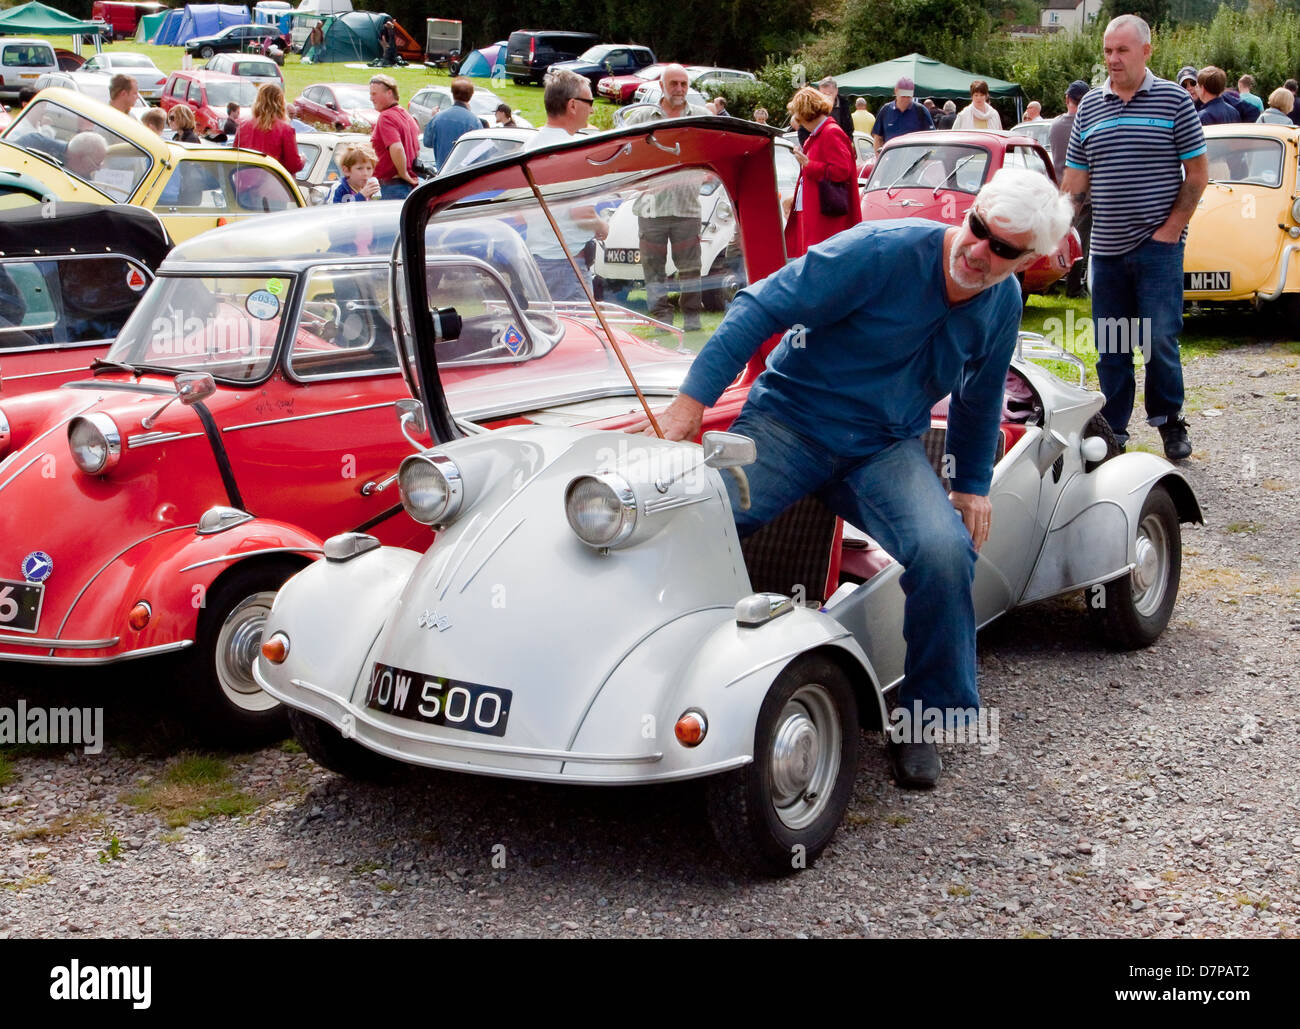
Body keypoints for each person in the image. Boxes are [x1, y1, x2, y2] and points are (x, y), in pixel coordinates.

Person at [644, 168, 1073, 788]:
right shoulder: (878, 251)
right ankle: (658, 680)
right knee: (689, 524)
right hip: (789, 424)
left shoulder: (1001, 303)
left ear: (1030, 259)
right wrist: (691, 403)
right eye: (979, 230)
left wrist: (972, 484)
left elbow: (980, 400)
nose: (980, 252)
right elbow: (759, 304)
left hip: (881, 448)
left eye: (1004, 249)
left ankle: (926, 718)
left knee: (946, 551)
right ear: (971, 212)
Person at [1061, 14, 1207, 461]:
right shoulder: (1090, 107)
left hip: (1158, 247)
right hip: (1105, 248)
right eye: (1107, 50)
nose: (1112, 59)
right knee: (1112, 345)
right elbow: (1075, 183)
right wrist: (1058, 229)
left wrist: (1171, 230)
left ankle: (1169, 423)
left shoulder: (1173, 102)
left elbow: (1198, 175)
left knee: (1160, 339)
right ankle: (1115, 430)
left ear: (1146, 51)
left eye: (1122, 50)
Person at [624, 64, 712, 329]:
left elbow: (713, 154)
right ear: (661, 86)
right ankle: (661, 320)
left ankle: (692, 321)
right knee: (653, 269)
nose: (679, 89)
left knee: (691, 269)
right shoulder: (642, 117)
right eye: (674, 84)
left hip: (687, 208)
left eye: (684, 84)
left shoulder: (699, 117)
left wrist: (707, 173)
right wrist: (633, 179)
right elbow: (622, 150)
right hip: (651, 209)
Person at [521, 69, 609, 303]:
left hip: (536, 262)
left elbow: (520, 214)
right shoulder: (574, 152)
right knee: (581, 334)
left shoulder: (528, 147)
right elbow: (581, 213)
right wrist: (603, 226)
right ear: (572, 105)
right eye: (589, 102)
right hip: (567, 266)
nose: (592, 108)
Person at [784, 85, 861, 259]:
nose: (797, 121)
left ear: (805, 114)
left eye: (798, 115)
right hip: (821, 214)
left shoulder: (830, 133)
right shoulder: (822, 133)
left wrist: (809, 165)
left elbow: (842, 171)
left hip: (828, 218)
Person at [1051, 80, 1092, 298]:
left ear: (1067, 99)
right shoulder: (1087, 124)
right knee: (1079, 241)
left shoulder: (1056, 125)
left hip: (1061, 189)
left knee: (1060, 237)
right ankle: (1074, 287)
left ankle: (1052, 282)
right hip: (1084, 194)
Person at [233, 83, 302, 175]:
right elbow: (293, 166)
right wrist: (303, 161)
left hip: (244, 181)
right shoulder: (285, 129)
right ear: (281, 102)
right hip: (271, 182)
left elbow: (234, 156)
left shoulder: (243, 124)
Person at [368, 74, 418, 199]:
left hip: (393, 186)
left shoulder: (386, 117)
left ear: (389, 93)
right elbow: (415, 149)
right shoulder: (406, 115)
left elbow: (397, 148)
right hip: (408, 185)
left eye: (374, 94)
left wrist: (403, 173)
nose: (371, 98)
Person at [425, 77, 480, 170]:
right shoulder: (474, 121)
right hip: (463, 174)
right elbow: (480, 151)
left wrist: (433, 118)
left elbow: (427, 142)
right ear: (471, 95)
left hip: (442, 173)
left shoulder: (438, 118)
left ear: (453, 94)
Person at [872, 76, 933, 151]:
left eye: (908, 96)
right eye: (903, 96)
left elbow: (931, 138)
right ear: (895, 91)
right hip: (891, 159)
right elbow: (877, 137)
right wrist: (879, 158)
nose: (906, 99)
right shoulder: (886, 110)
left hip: (915, 160)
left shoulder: (921, 111)